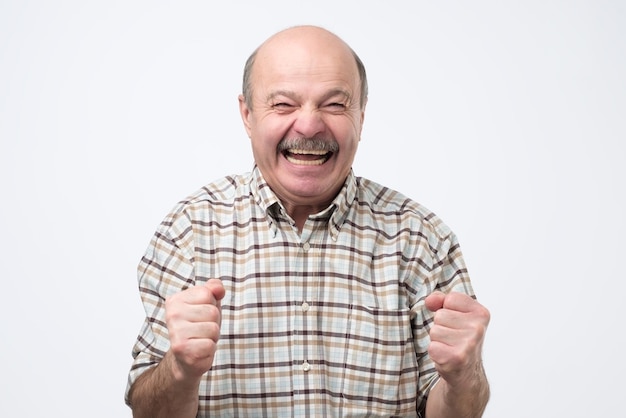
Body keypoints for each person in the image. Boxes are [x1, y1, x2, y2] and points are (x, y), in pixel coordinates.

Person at [125, 25, 490, 418]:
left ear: (361, 117)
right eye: (283, 104)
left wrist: (464, 376)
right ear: (247, 114)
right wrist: (180, 370)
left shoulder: (422, 238)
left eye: (334, 105)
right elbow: (147, 411)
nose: (309, 125)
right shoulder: (189, 231)